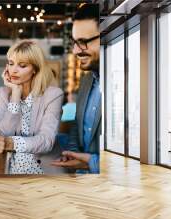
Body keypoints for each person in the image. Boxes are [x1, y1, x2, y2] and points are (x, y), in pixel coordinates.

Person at [0, 40, 63, 174]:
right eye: (11, 64)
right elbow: (3, 134)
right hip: (9, 167)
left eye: (22, 65)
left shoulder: (53, 95)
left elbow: (47, 141)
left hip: (40, 169)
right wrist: (16, 94)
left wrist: (10, 143)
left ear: (35, 69)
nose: (14, 70)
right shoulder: (4, 93)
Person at [51, 4, 101, 173]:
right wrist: (71, 154)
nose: (75, 51)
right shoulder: (87, 80)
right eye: (74, 43)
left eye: (83, 42)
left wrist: (91, 163)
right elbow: (77, 126)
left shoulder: (129, 84)